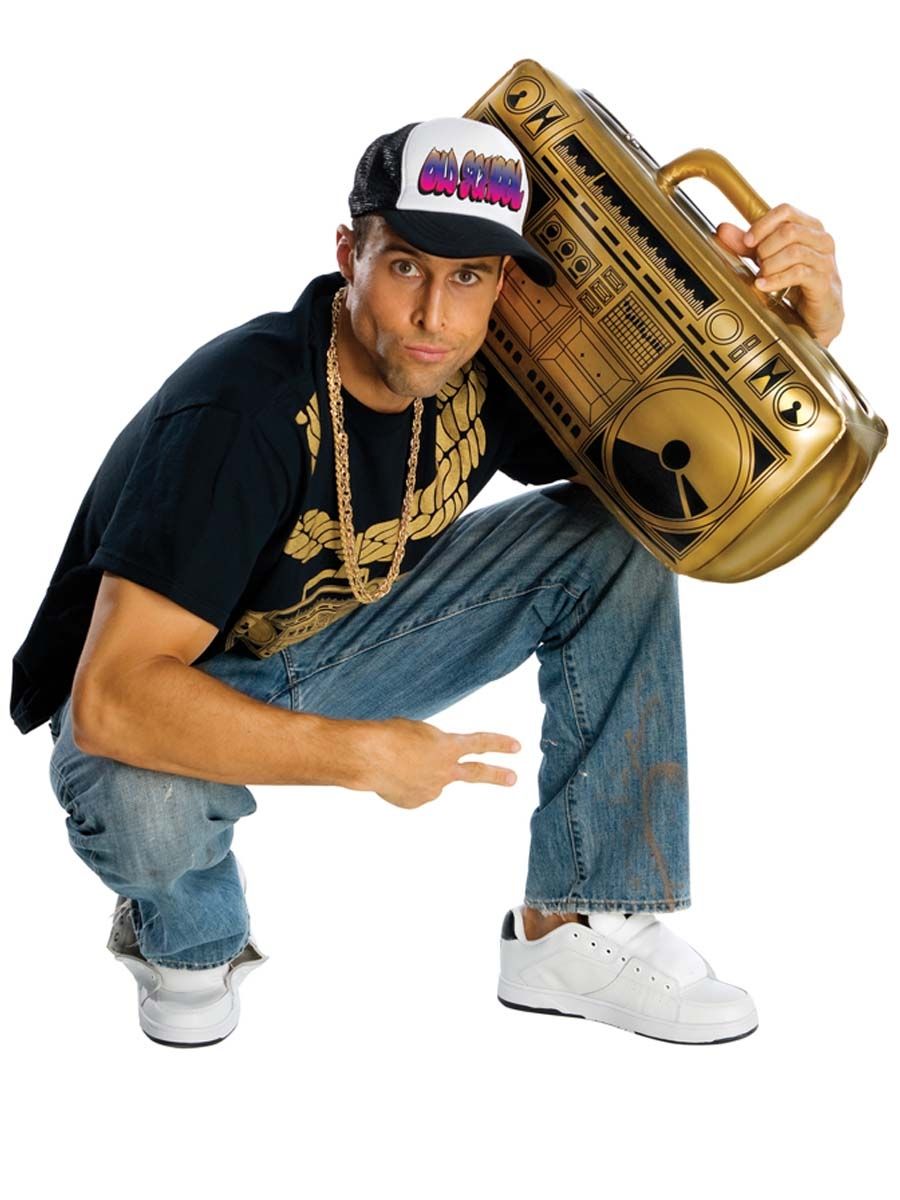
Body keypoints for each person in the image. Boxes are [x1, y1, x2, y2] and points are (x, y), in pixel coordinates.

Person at [11, 116, 844, 1049]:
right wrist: (365, 756)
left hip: (339, 639)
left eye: (469, 277)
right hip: (167, 681)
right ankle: (190, 938)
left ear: (502, 285)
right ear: (349, 255)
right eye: (406, 266)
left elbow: (695, 477)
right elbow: (114, 699)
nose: (434, 317)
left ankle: (574, 927)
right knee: (140, 796)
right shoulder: (241, 411)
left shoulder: (484, 366)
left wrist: (798, 332)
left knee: (615, 537)